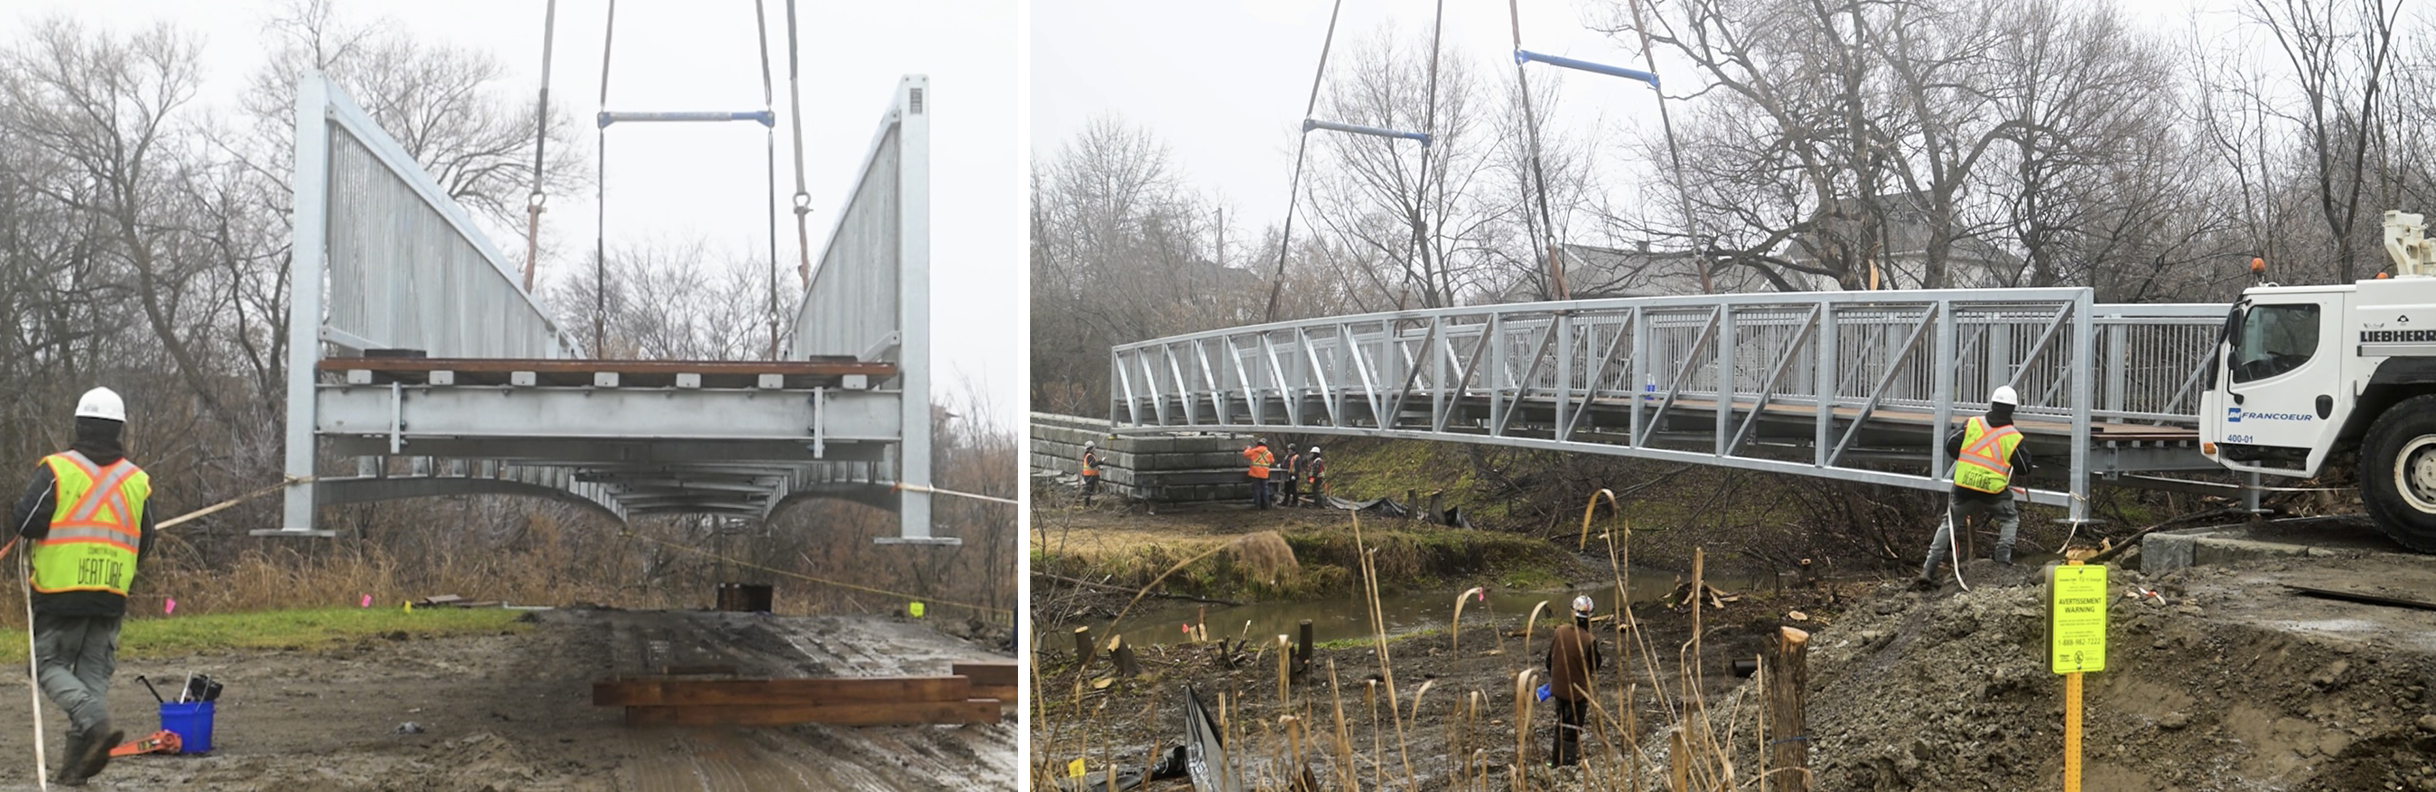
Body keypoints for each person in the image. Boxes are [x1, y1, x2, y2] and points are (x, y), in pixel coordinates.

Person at [13, 388, 153, 786]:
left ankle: (94, 722)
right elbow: (146, 540)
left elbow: (26, 522)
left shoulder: (58, 469)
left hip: (60, 592)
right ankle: (74, 771)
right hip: (110, 593)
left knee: (44, 666)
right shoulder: (136, 480)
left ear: (79, 425)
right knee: (91, 680)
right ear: (119, 429)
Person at [1918, 385, 2033, 588]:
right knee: (2009, 519)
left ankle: (1928, 570)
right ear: (2012, 409)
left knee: (1949, 524)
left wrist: (1966, 460)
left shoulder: (1972, 424)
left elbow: (1950, 444)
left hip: (1964, 488)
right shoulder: (2013, 436)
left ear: (1992, 404)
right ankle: (2002, 560)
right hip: (1993, 492)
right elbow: (2024, 468)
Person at [1546, 594, 1601, 767]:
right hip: (1577, 695)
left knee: (1560, 726)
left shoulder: (1559, 631)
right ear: (1590, 618)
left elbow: (1549, 662)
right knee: (1571, 732)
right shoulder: (1589, 640)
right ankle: (1567, 768)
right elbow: (1595, 665)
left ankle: (1555, 763)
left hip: (1557, 690)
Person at [1241, 439, 1275, 510]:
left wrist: (1248, 448)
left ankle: (1257, 506)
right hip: (1264, 474)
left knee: (1256, 489)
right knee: (1265, 489)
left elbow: (1245, 454)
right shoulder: (1269, 453)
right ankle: (1267, 505)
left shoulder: (1254, 451)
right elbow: (1272, 461)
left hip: (1255, 474)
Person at [1079, 441, 1102, 506]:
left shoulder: (1089, 455)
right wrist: (1100, 461)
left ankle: (1088, 504)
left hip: (1090, 475)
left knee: (1090, 490)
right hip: (1090, 476)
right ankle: (1087, 504)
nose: (1095, 448)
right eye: (1094, 447)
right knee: (1089, 490)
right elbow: (1092, 465)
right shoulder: (1089, 456)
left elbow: (1090, 466)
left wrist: (1099, 468)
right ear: (1091, 448)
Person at [1281, 445, 1303, 509]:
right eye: (1288, 449)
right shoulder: (1287, 457)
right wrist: (1281, 466)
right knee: (1286, 489)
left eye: (1290, 449)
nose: (1288, 450)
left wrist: (1295, 475)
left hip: (1293, 475)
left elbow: (1298, 467)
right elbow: (1285, 465)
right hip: (1287, 475)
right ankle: (1285, 501)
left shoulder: (1296, 457)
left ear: (1293, 450)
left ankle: (1295, 502)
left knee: (1293, 489)